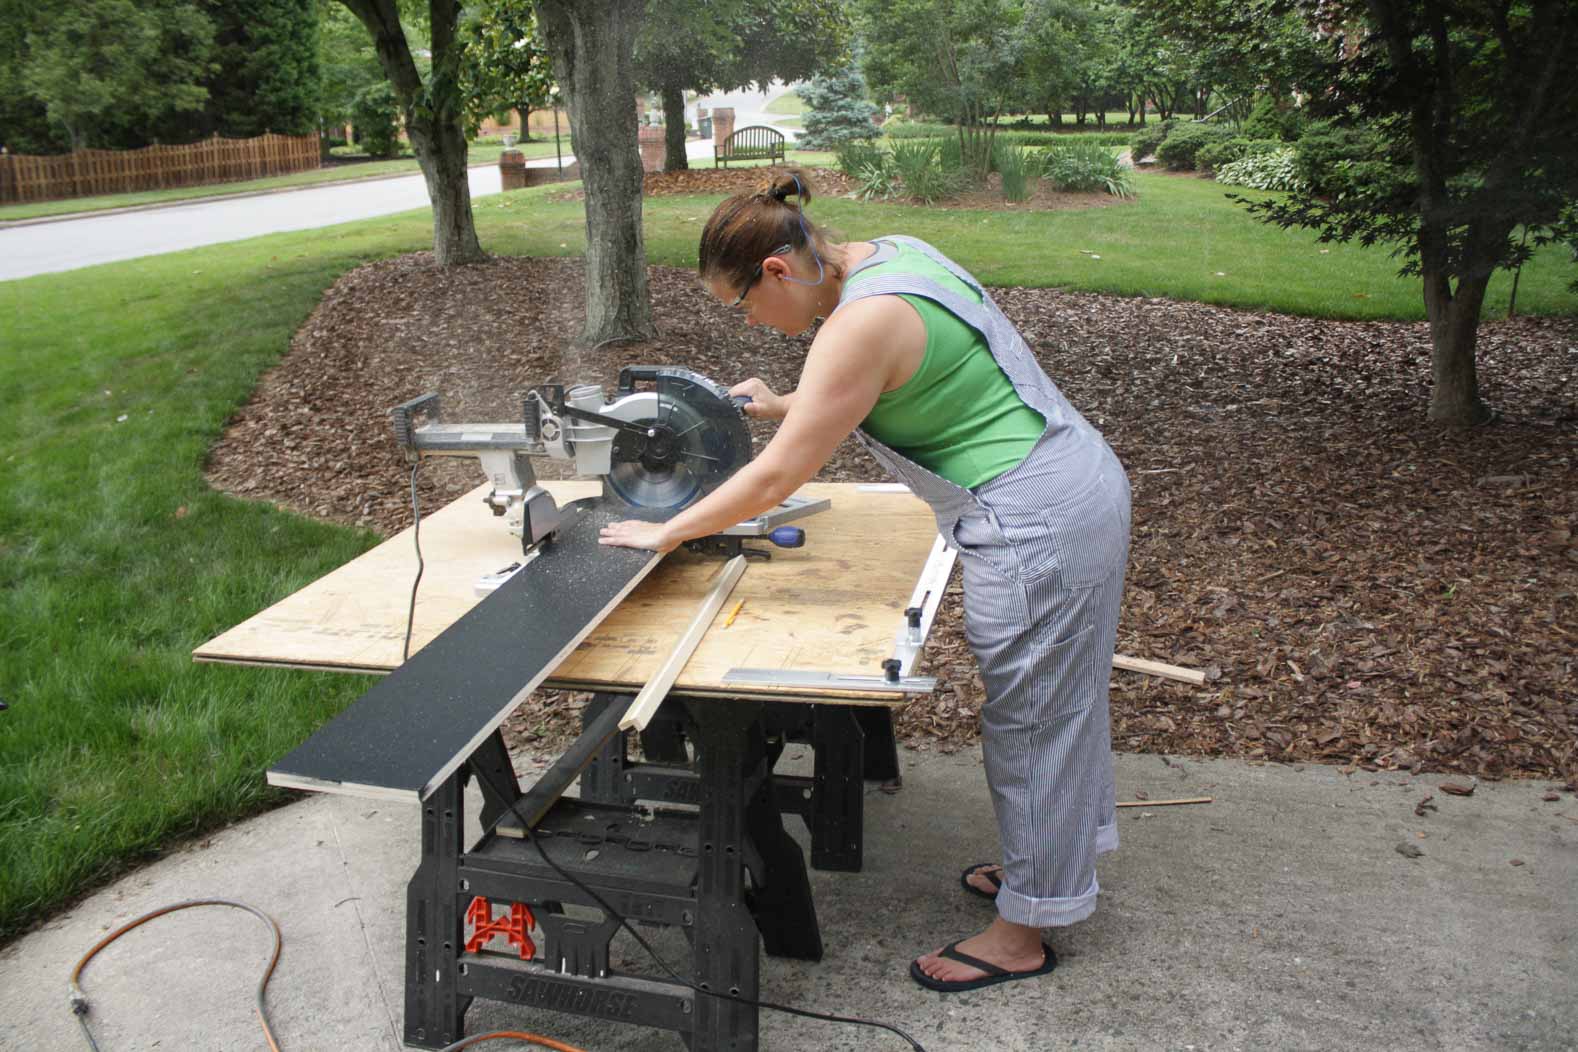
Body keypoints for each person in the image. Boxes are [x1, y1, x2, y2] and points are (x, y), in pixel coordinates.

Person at [599, 169, 1130, 993]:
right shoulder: (892, 256)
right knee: (1058, 706)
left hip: (1036, 527)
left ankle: (1025, 931)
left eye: (741, 305)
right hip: (1068, 484)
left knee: (1035, 721)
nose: (749, 322)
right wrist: (782, 401)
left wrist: (665, 529)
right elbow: (894, 383)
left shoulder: (857, 325)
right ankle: (1049, 867)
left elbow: (778, 479)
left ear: (776, 271)